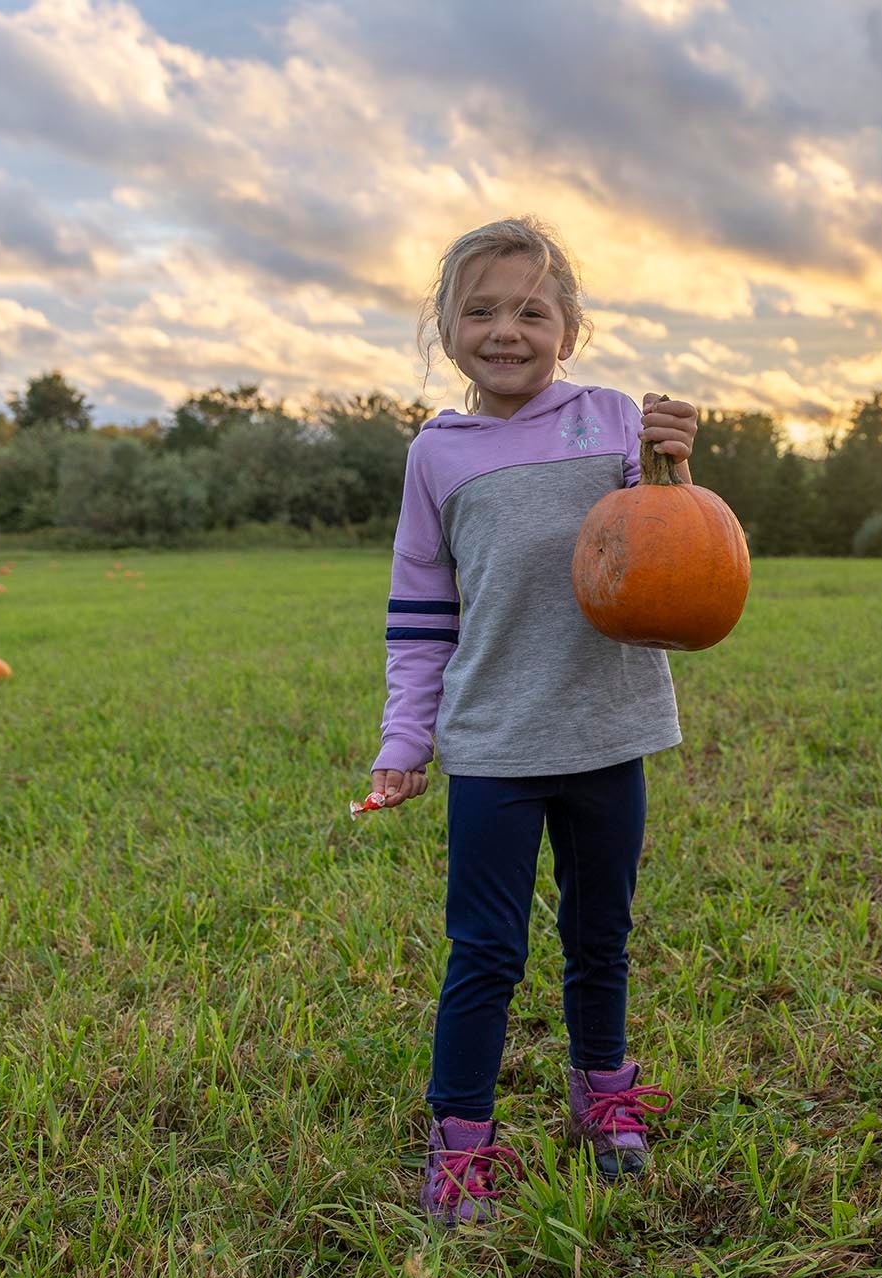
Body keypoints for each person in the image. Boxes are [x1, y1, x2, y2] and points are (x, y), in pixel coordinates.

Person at [368, 216, 697, 1224]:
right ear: (445, 327)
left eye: (531, 310)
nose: (505, 329)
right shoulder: (438, 452)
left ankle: (605, 1093)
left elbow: (673, 546)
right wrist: (404, 741)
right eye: (481, 310)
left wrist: (674, 461)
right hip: (496, 745)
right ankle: (461, 1138)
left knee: (602, 934)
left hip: (608, 729)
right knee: (486, 948)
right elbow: (422, 614)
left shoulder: (608, 421)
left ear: (569, 325)